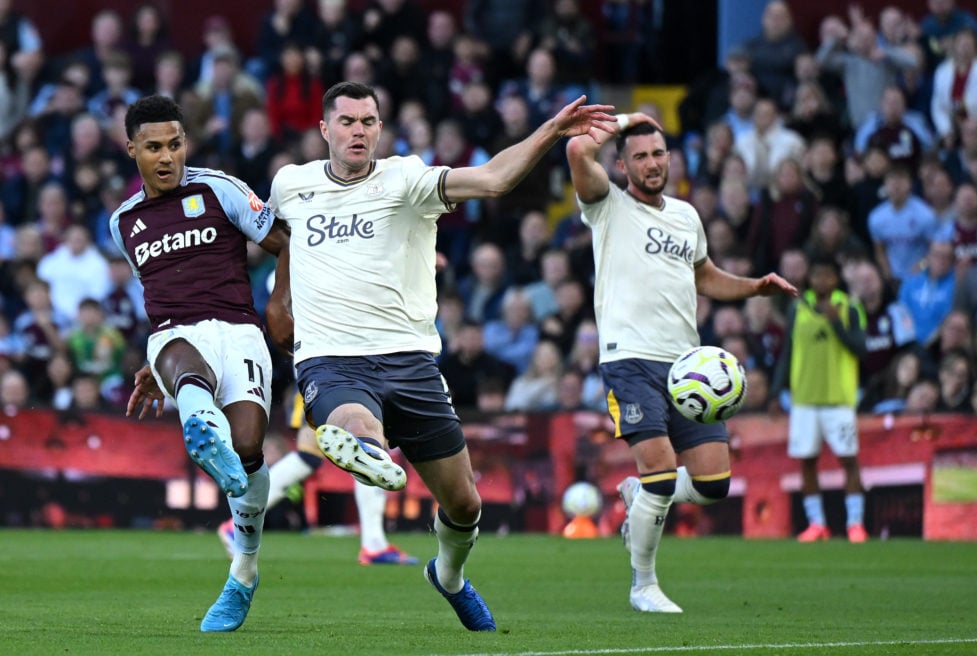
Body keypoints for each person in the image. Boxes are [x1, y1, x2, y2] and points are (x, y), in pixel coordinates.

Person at [268, 81, 614, 631]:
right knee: (352, 420)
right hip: (330, 356)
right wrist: (278, 298)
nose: (359, 131)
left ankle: (447, 575)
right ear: (324, 130)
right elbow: (283, 240)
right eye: (348, 121)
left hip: (410, 359)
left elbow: (496, 179)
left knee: (465, 505)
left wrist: (551, 129)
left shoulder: (407, 178)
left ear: (380, 129)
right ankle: (365, 448)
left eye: (369, 121)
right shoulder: (292, 184)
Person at [565, 112, 797, 613]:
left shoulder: (686, 216)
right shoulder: (607, 206)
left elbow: (704, 275)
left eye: (658, 154)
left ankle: (638, 495)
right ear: (623, 165)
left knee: (714, 485)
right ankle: (643, 585)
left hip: (686, 366)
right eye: (640, 156)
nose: (652, 163)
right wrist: (627, 119)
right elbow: (576, 151)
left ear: (671, 159)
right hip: (628, 360)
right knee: (662, 474)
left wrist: (753, 286)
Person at [110, 95, 290, 632]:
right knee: (183, 367)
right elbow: (159, 295)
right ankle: (195, 417)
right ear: (131, 151)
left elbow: (290, 245)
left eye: (175, 144)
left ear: (185, 143)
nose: (167, 158)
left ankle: (245, 570)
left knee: (250, 447)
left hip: (239, 331)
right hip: (175, 335)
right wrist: (156, 365)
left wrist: (280, 301)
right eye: (153, 148)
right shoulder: (125, 223)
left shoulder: (220, 189)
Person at [217, 390, 418, 566]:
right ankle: (374, 545)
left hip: (326, 373)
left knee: (314, 454)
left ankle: (238, 523)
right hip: (336, 373)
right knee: (366, 449)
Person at [773, 256, 868, 544]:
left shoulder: (849, 307)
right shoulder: (797, 306)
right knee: (807, 462)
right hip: (804, 399)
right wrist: (778, 390)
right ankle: (817, 524)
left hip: (839, 400)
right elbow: (788, 350)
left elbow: (861, 349)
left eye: (827, 276)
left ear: (835, 280)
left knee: (848, 459)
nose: (822, 281)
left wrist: (836, 324)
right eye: (817, 276)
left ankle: (855, 524)